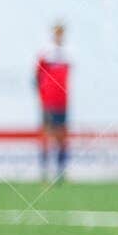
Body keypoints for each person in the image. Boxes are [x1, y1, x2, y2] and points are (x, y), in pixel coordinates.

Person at [35, 22, 71, 181]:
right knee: (47, 135)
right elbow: (36, 77)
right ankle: (44, 172)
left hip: (62, 102)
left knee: (62, 136)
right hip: (48, 102)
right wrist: (42, 96)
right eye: (57, 32)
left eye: (61, 32)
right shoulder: (46, 53)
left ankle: (61, 172)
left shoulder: (67, 54)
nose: (59, 35)